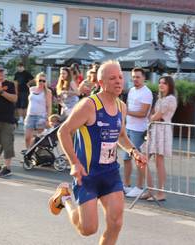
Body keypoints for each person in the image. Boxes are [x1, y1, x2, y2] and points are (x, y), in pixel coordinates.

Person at [48, 60, 146, 245]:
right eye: (112, 78)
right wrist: (74, 163)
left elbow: (122, 136)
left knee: (116, 223)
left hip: (110, 173)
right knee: (88, 229)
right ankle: (65, 198)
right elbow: (63, 131)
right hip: (87, 175)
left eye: (120, 77)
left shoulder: (121, 107)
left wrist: (134, 151)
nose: (118, 81)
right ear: (101, 83)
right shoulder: (89, 105)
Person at [141, 76, 177, 201]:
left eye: (164, 83)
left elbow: (157, 115)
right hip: (155, 130)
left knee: (159, 162)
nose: (161, 85)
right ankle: (151, 190)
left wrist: (151, 117)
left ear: (170, 86)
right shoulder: (161, 98)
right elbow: (154, 115)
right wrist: (152, 117)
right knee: (142, 159)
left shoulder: (170, 99)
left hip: (162, 130)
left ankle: (161, 192)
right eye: (160, 83)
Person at [123, 67, 153, 198]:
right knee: (126, 158)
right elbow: (128, 108)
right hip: (128, 127)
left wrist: (126, 112)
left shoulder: (146, 93)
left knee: (138, 159)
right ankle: (127, 185)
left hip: (139, 130)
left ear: (144, 78)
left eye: (138, 77)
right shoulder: (131, 90)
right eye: (133, 77)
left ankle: (139, 187)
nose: (135, 79)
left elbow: (143, 113)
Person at [23, 72, 52, 150]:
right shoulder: (31, 89)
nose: (41, 82)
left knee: (39, 138)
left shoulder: (47, 92)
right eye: (40, 80)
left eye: (44, 81)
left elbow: (49, 106)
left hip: (41, 116)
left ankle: (36, 153)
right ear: (36, 80)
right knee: (27, 137)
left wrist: (48, 119)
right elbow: (30, 103)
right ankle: (28, 153)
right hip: (30, 115)